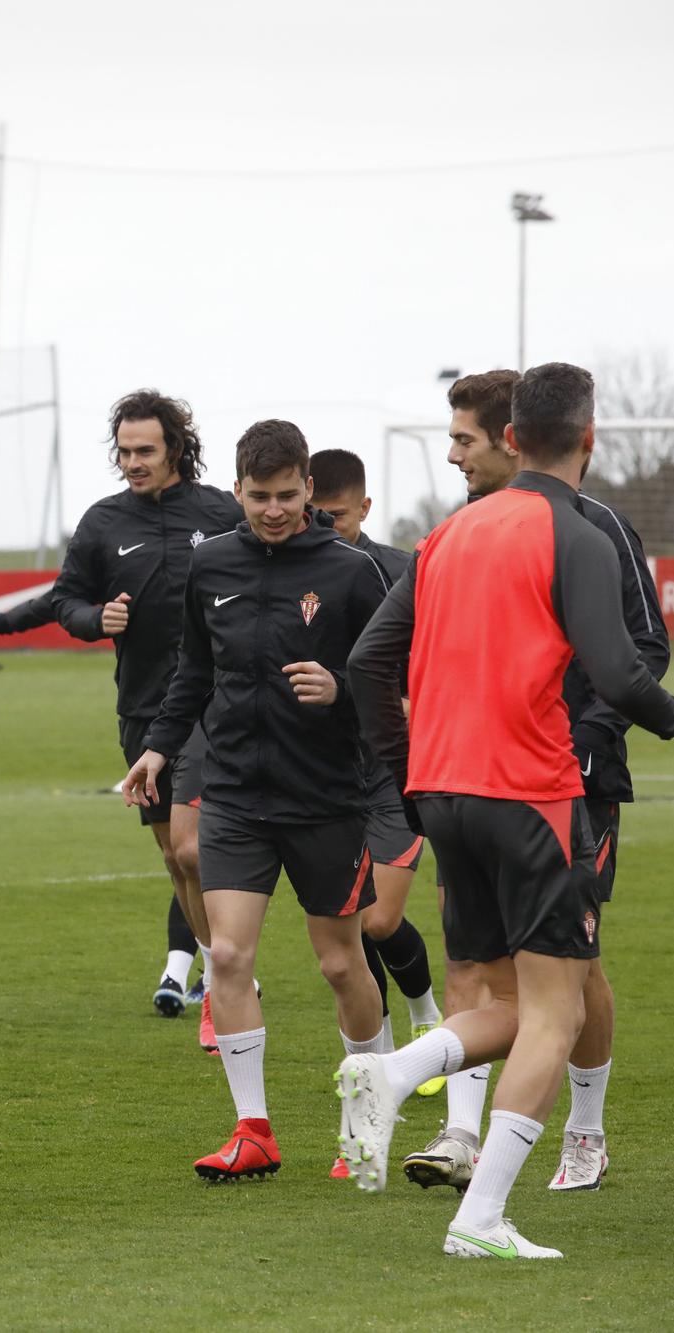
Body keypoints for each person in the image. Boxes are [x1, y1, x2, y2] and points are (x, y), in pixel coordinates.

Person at [338, 362, 674, 1260]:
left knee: (504, 998)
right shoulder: (576, 531)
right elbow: (625, 672)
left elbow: (364, 664)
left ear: (511, 438)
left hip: (445, 797)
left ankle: (395, 1069)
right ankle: (479, 1219)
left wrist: (407, 778)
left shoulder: (446, 536)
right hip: (533, 796)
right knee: (560, 1011)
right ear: (590, 439)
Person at [396, 370, 670, 1195]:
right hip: (485, 779)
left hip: (570, 780)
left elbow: (641, 652)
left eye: (464, 442)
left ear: (512, 438)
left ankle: (584, 1133)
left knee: (573, 972)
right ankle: (457, 1135)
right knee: (477, 966)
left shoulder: (598, 529)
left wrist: (586, 740)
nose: (453, 458)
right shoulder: (460, 534)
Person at [121, 420, 392, 1181]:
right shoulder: (211, 566)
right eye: (257, 496)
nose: (272, 510)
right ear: (236, 490)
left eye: (286, 495)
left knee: (341, 962)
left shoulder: (350, 572)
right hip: (235, 793)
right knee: (230, 955)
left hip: (326, 796)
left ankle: (366, 1122)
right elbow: (192, 675)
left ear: (309, 488)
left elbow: (388, 681)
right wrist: (158, 748)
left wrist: (339, 689)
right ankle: (253, 1130)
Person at [0, 389, 243, 1045]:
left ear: (176, 447)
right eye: (124, 452)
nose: (133, 463)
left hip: (214, 704)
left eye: (145, 450)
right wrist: (96, 619)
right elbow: (67, 598)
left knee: (191, 845)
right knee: (174, 858)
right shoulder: (102, 523)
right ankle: (216, 970)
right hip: (141, 709)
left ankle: (220, 984)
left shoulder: (220, 512)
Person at [307, 448, 447, 1118]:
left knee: (379, 916)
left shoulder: (401, 571)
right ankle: (386, 1071)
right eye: (316, 513)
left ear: (365, 507)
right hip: (325, 776)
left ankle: (426, 1010)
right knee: (351, 928)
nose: (323, 525)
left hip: (394, 768)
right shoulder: (290, 572)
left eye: (335, 514)